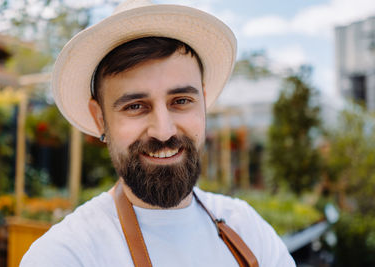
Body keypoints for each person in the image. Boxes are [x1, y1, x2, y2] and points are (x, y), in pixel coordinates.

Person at [21, 0, 295, 266]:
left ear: (203, 102)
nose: (163, 132)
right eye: (136, 106)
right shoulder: (64, 255)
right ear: (100, 118)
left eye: (181, 101)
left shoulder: (248, 228)